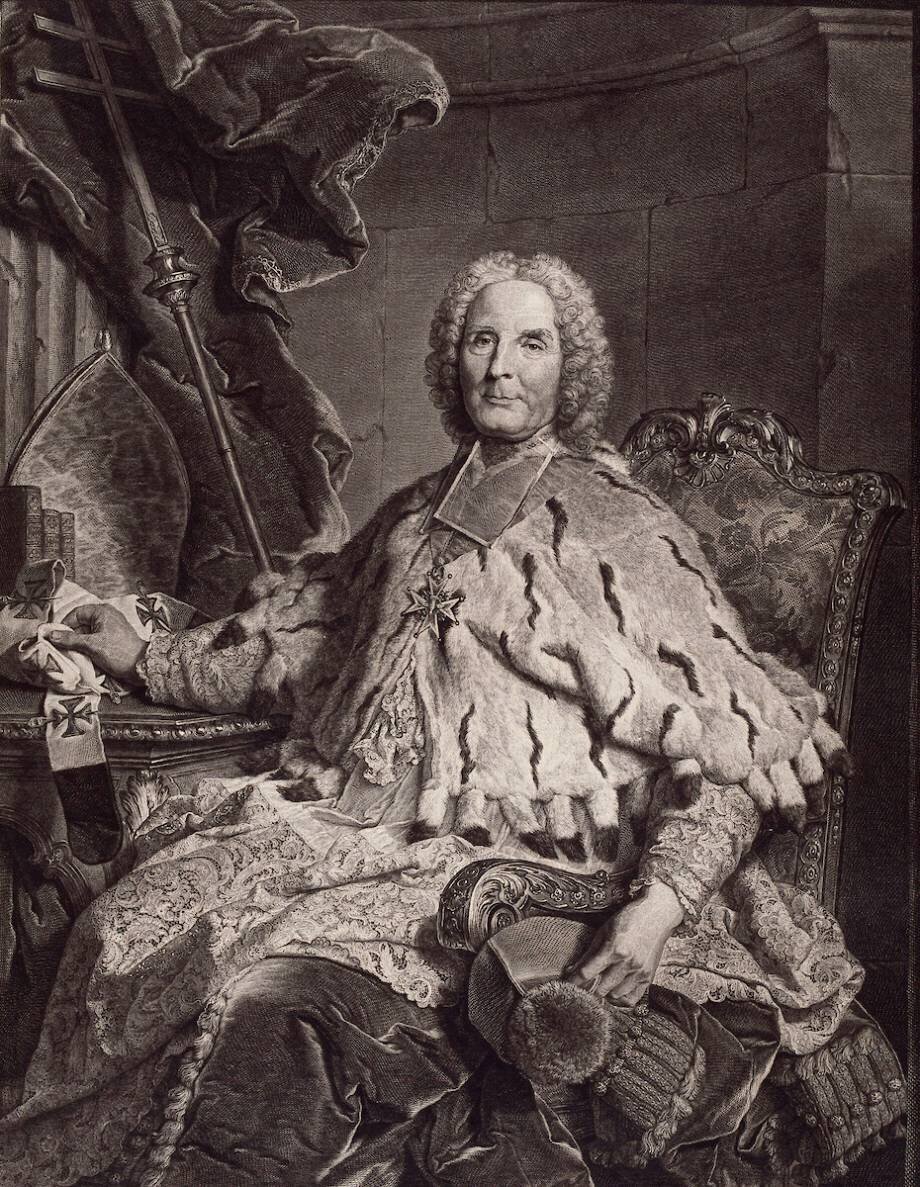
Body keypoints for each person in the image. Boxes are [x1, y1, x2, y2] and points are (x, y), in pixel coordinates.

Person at [0, 253, 904, 1187]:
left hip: (527, 859)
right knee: (127, 921)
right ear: (452, 360)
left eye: (531, 343)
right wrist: (144, 656)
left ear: (570, 368)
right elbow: (303, 645)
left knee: (265, 998)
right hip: (357, 823)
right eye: (482, 340)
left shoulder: (622, 527)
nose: (501, 367)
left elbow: (733, 744)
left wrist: (654, 913)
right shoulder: (412, 514)